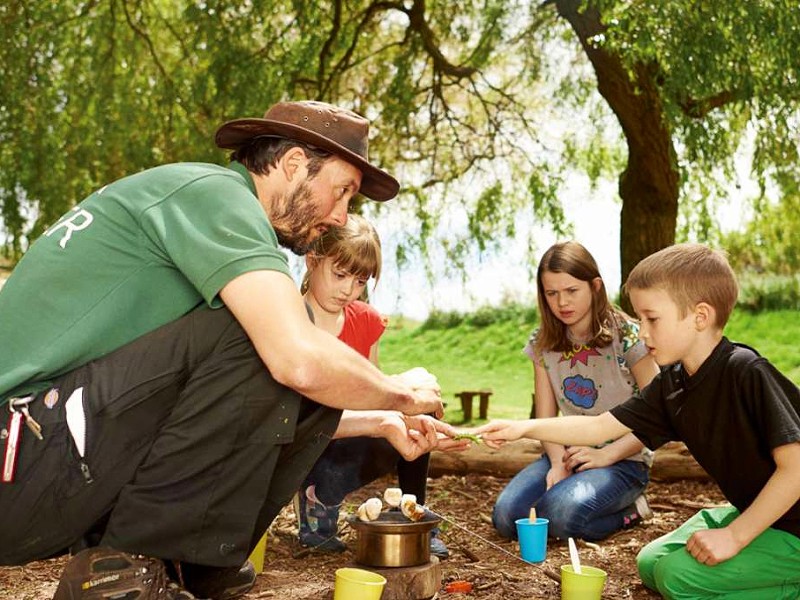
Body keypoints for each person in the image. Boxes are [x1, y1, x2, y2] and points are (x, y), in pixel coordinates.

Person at [0, 100, 460, 600]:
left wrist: (381, 419)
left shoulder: (202, 200)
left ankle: (189, 560)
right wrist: (399, 394)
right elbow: (297, 357)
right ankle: (119, 574)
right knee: (270, 334)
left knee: (304, 369)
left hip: (42, 464)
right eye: (342, 191)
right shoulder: (216, 196)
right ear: (292, 166)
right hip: (19, 457)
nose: (341, 215)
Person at [478, 243, 800, 599]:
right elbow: (598, 427)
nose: (642, 333)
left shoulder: (745, 371)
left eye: (652, 319)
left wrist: (735, 536)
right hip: (758, 512)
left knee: (677, 578)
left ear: (700, 316)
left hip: (793, 528)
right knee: (650, 564)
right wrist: (521, 428)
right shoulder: (673, 385)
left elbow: (796, 468)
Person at [294, 214, 451, 558]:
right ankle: (316, 499)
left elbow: (375, 395)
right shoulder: (290, 320)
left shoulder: (364, 319)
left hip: (351, 432)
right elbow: (297, 417)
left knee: (416, 407)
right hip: (304, 445)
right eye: (340, 274)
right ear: (312, 259)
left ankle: (414, 513)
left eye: (360, 279)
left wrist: (413, 404)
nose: (349, 289)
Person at [492, 241, 659, 542]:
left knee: (559, 516)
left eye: (571, 291)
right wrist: (557, 463)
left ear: (595, 286)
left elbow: (658, 414)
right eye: (551, 293)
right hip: (566, 453)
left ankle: (632, 509)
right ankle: (565, 496)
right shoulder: (543, 343)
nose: (562, 303)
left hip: (624, 460)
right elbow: (545, 416)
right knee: (507, 517)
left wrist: (607, 454)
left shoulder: (630, 337)